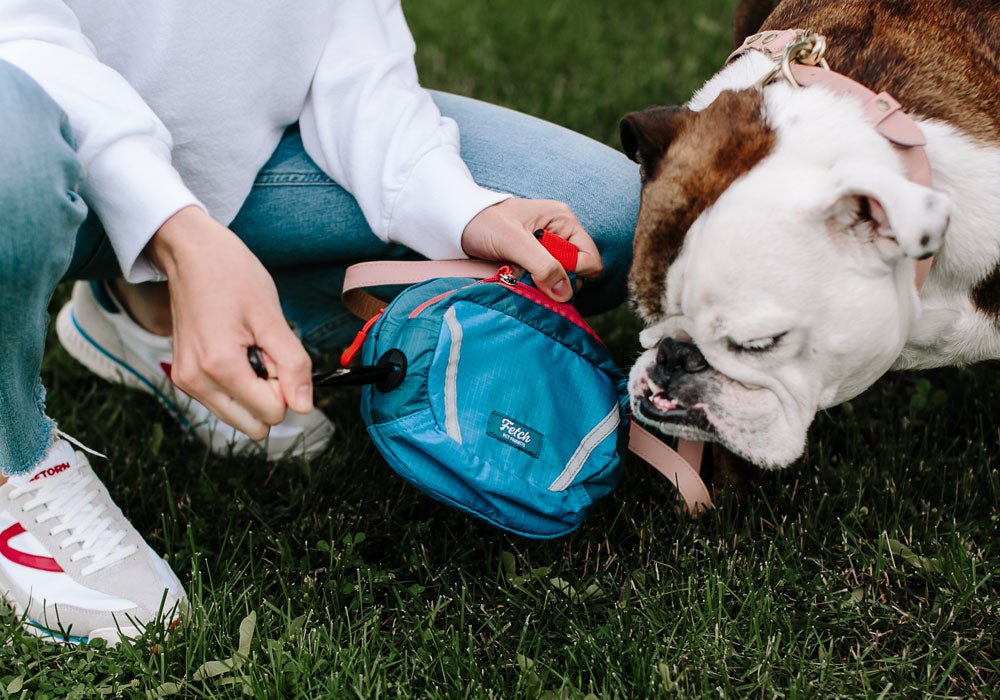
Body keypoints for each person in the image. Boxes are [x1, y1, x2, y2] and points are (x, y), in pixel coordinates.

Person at [0, 0, 639, 645]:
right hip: (40, 147)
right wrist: (177, 232)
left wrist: (466, 209)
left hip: (237, 158)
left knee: (608, 217)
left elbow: (355, 56)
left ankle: (146, 312)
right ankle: (12, 453)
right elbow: (22, 40)